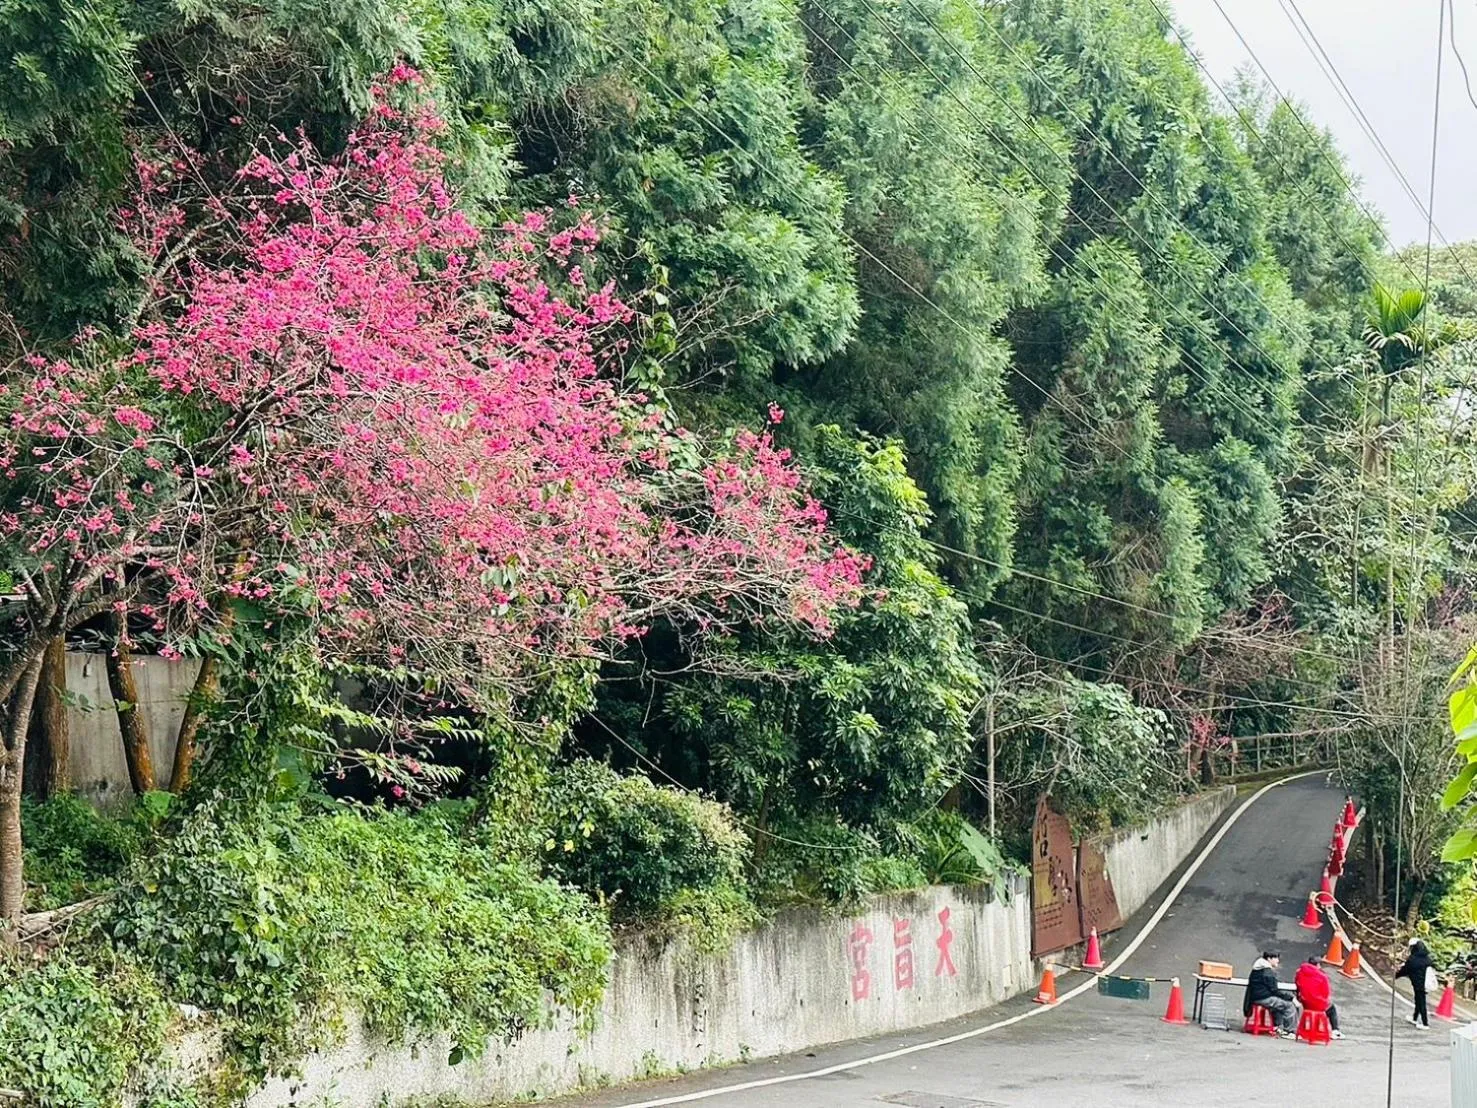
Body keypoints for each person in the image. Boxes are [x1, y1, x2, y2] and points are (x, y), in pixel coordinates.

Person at [1245, 950, 1299, 1039]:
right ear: (1269, 959)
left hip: (1256, 996)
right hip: (1263, 998)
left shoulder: (1258, 968)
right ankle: (1290, 1031)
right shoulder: (1267, 972)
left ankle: (1277, 1026)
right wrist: (1291, 998)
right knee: (1288, 1005)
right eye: (1276, 958)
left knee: (1279, 1003)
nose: (1278, 960)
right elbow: (1275, 990)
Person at [1295, 955, 1345, 1039]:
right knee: (1332, 1008)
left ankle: (1304, 1029)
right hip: (1317, 1004)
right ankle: (1335, 1030)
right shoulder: (1322, 977)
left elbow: (1297, 985)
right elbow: (1326, 993)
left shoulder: (1299, 972)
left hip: (1304, 1002)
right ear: (1317, 965)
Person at [1396, 938, 1434, 1029]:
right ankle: (1414, 1018)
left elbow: (1405, 970)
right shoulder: (1427, 958)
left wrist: (1396, 975)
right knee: (1418, 1001)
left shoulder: (1413, 959)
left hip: (1418, 984)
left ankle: (1425, 1024)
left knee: (1421, 1002)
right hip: (1425, 984)